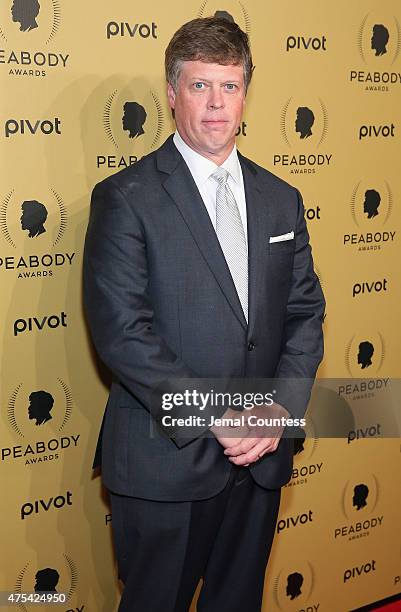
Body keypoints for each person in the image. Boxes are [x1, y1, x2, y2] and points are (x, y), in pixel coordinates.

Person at [83, 16, 325, 612]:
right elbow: (123, 334)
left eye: (230, 86)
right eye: (199, 86)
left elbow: (305, 313)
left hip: (262, 462)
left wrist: (278, 409)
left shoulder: (281, 198)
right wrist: (222, 416)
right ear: (172, 93)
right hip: (166, 465)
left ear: (246, 92)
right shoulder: (125, 197)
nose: (217, 105)